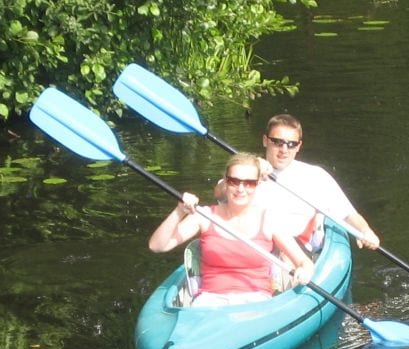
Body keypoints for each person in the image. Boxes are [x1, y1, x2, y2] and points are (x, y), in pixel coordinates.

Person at [148, 152, 314, 308]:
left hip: (255, 300)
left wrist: (304, 271)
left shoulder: (268, 219)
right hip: (210, 300)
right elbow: (157, 246)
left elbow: (304, 262)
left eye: (249, 183)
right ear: (226, 182)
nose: (241, 189)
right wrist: (179, 212)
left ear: (257, 185)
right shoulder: (205, 216)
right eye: (235, 181)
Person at [222, 114, 381, 253]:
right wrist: (254, 168)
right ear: (265, 141)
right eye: (278, 142)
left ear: (298, 146)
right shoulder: (247, 171)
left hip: (296, 251)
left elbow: (348, 214)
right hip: (252, 245)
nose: (284, 149)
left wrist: (365, 231)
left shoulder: (315, 176)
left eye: (291, 144)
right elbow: (220, 192)